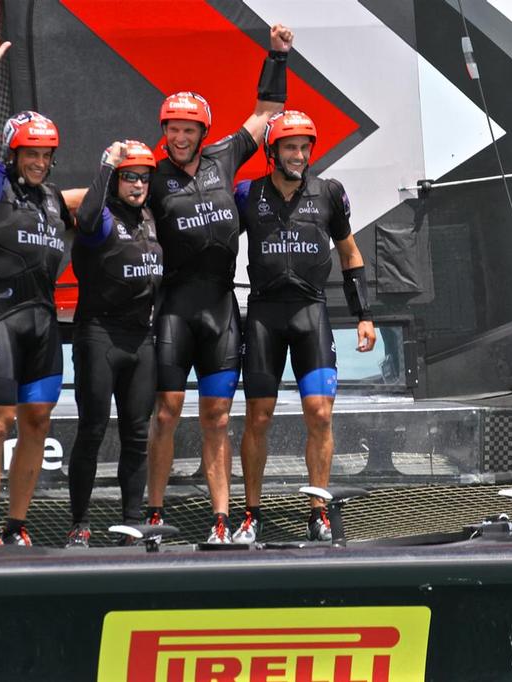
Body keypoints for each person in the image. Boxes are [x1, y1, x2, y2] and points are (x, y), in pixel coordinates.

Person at [145, 24, 294, 543]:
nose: (179, 137)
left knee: (215, 417)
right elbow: (99, 207)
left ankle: (221, 521)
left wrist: (277, 55)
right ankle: (155, 516)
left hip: (220, 308)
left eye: (188, 129)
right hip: (174, 307)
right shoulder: (150, 175)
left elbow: (267, 114)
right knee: (166, 412)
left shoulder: (224, 157)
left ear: (202, 133)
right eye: (172, 129)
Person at [233, 110, 377, 543]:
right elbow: (214, 242)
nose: (298, 154)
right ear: (271, 151)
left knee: (319, 414)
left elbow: (350, 253)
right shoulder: (247, 193)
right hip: (263, 316)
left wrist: (363, 314)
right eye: (290, 147)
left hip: (311, 313)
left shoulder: (330, 193)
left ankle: (319, 510)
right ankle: (251, 512)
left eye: (304, 147)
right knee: (258, 417)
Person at [0, 35, 77, 546]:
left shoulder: (55, 199)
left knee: (36, 421)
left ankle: (17, 524)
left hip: (44, 324)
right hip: (0, 320)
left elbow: (112, 189)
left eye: (45, 154)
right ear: (14, 152)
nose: (38, 161)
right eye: (30, 152)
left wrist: (124, 163)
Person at [65, 141, 163, 548]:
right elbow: (85, 218)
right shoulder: (102, 217)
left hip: (140, 338)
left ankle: (132, 524)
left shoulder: (150, 218)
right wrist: (105, 165)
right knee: (92, 429)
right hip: (99, 335)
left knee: (138, 434)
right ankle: (80, 524)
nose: (138, 185)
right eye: (130, 177)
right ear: (117, 180)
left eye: (144, 177)